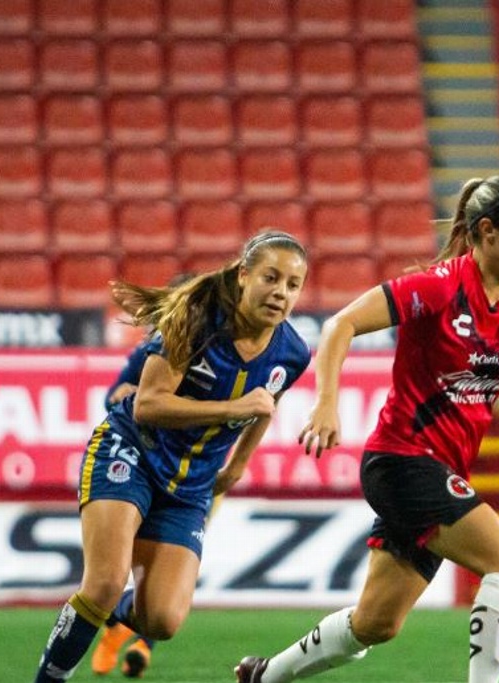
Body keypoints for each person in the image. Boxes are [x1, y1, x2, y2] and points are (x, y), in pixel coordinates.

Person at [234, 176, 499, 683]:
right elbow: (341, 325)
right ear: (489, 231)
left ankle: (263, 677)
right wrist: (326, 404)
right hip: (401, 460)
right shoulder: (441, 286)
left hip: (436, 469)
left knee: (375, 624)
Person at [33, 231, 312, 682]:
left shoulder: (293, 352)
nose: (280, 292)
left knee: (162, 620)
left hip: (191, 485)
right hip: (130, 452)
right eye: (270, 277)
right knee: (104, 580)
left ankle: (107, 611)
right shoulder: (196, 319)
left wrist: (237, 467)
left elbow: (265, 402)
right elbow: (149, 404)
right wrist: (233, 408)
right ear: (244, 275)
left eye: (293, 285)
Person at [91, 275, 196, 678]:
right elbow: (115, 392)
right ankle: (122, 628)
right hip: (146, 464)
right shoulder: (154, 348)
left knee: (170, 564)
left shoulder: (219, 353)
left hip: (194, 475)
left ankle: (133, 636)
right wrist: (126, 393)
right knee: (134, 562)